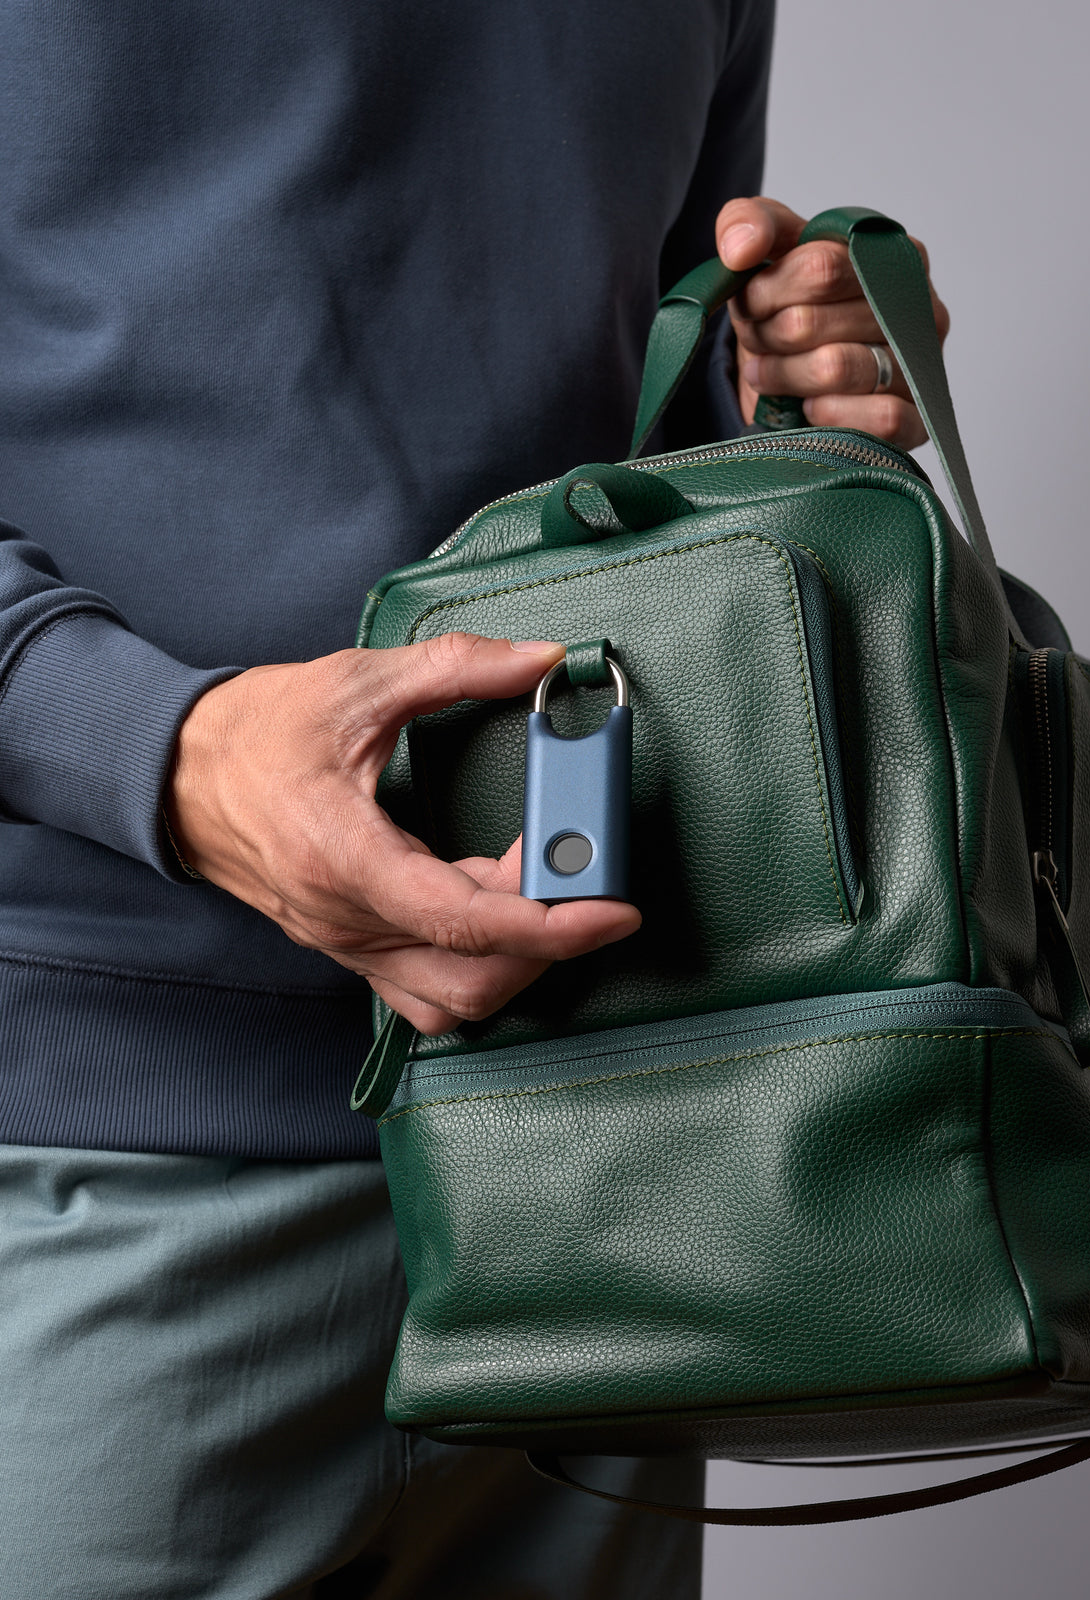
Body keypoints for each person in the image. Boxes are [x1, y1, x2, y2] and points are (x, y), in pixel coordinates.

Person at [0, 4, 947, 1595]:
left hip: (613, 1145)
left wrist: (769, 377)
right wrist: (164, 749)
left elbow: (620, 456)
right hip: (96, 1166)